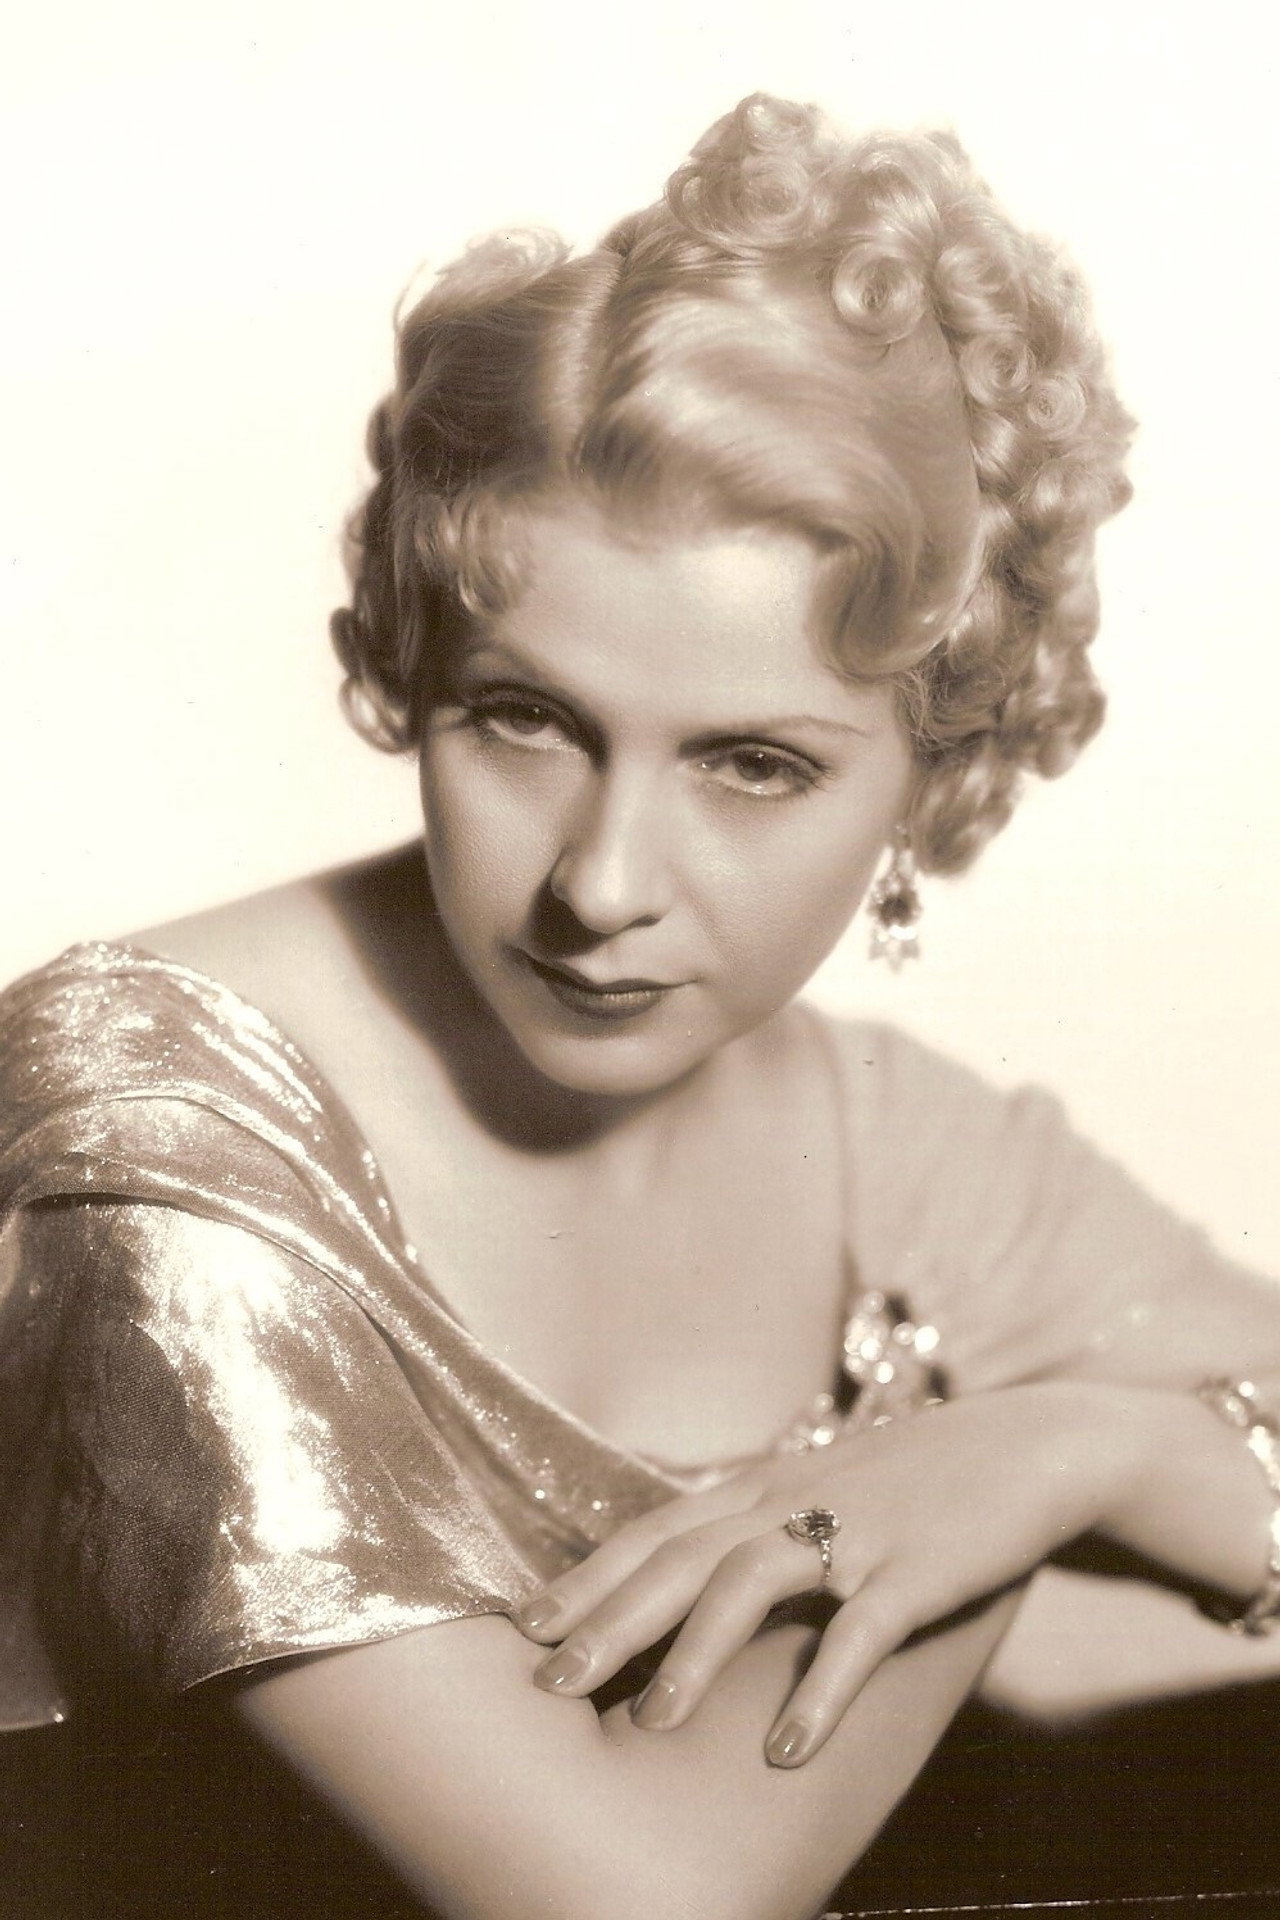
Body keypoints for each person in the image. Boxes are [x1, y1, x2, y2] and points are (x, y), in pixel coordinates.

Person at [3, 92, 1280, 1920]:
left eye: (754, 764)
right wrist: (960, 1491)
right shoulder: (156, 1128)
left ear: (933, 773)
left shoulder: (883, 1144)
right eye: (523, 719)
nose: (601, 885)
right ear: (416, 662)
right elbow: (636, 1904)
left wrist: (1077, 1445)